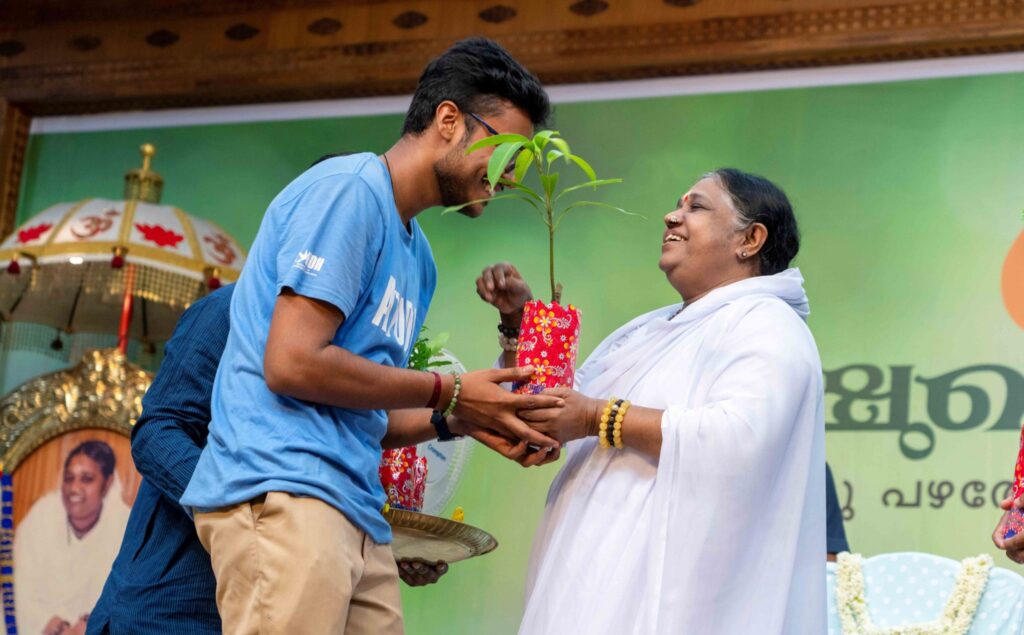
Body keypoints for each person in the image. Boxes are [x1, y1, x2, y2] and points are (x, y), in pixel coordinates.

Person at [179, 37, 560, 635]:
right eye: (507, 149)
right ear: (449, 120)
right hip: (287, 492)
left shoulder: (420, 258)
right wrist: (450, 391)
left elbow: (368, 415)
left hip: (357, 514)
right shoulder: (350, 190)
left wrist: (461, 418)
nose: (511, 174)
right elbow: (292, 362)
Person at [477, 168, 826, 634]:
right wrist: (520, 325)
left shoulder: (768, 324)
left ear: (751, 239)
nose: (671, 216)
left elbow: (740, 437)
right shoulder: (652, 327)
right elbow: (557, 413)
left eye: (695, 207)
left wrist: (597, 417)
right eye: (677, 205)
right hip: (589, 586)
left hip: (673, 604)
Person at [15, 441, 131, 635]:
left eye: (87, 479)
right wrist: (53, 625)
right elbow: (20, 584)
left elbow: (123, 598)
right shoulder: (42, 514)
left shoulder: (125, 525)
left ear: (107, 483)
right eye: (69, 478)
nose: (74, 488)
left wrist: (87, 627)